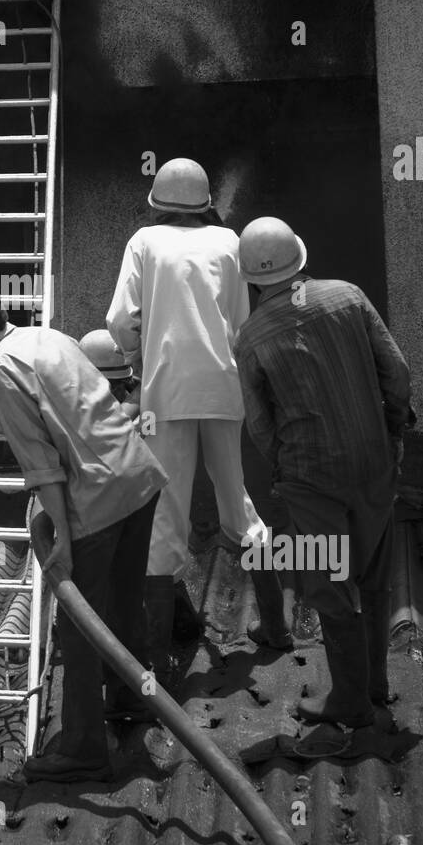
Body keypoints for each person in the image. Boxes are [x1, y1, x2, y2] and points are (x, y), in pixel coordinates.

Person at [0, 277, 168, 782]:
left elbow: (42, 465)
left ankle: (85, 748)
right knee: (126, 597)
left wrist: (62, 534)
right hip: (138, 475)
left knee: (79, 625)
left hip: (96, 497)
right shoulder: (52, 338)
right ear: (2, 308)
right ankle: (134, 699)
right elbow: (79, 408)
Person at [106, 158, 287, 681]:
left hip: (165, 395)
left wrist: (139, 359)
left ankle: (159, 663)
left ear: (159, 203)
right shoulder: (230, 242)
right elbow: (242, 323)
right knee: (239, 506)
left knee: (166, 518)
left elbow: (120, 319)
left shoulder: (143, 242)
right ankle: (276, 627)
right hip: (223, 389)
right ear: (206, 203)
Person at [234, 219, 413, 729]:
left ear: (252, 280)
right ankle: (375, 686)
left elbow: (261, 425)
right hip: (373, 461)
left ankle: (351, 699)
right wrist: (392, 432)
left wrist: (285, 471)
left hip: (311, 479)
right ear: (300, 258)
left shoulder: (250, 338)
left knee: (331, 582)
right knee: (375, 575)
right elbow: (396, 372)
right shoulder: (348, 297)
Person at [78, 328, 203, 643]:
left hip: (144, 506)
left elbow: (131, 421)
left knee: (155, 563)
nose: (114, 389)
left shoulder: (138, 398)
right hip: (135, 510)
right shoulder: (126, 397)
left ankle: (160, 643)